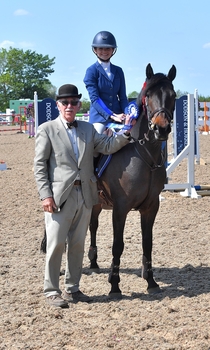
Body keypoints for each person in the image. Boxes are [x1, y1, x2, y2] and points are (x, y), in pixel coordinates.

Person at [34, 84, 134, 308]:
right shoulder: (46, 129)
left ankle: (73, 288)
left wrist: (126, 132)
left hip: (85, 194)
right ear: (58, 105)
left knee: (78, 244)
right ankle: (52, 290)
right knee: (56, 244)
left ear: (79, 105)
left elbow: (108, 146)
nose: (70, 106)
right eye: (65, 103)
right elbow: (39, 166)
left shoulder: (88, 129)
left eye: (74, 102)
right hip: (59, 196)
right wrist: (45, 195)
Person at [84, 30, 128, 134]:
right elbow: (95, 99)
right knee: (96, 138)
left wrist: (127, 114)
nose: (104, 51)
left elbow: (122, 97)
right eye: (100, 48)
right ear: (95, 50)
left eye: (108, 48)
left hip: (119, 116)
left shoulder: (118, 71)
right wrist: (111, 115)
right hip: (100, 118)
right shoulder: (91, 71)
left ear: (113, 50)